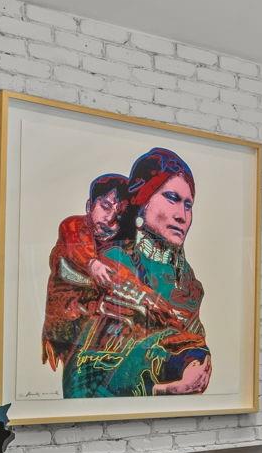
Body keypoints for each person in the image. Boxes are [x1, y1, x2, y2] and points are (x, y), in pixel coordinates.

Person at [66, 148, 213, 398]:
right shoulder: (116, 263)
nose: (182, 215)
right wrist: (164, 389)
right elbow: (83, 375)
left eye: (188, 204)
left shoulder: (188, 282)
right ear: (143, 202)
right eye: (171, 198)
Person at [41, 172, 129, 378]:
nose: (111, 218)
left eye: (120, 212)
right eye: (105, 206)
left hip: (100, 338)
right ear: (90, 206)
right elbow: (75, 240)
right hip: (63, 329)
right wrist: (92, 264)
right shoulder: (74, 226)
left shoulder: (122, 245)